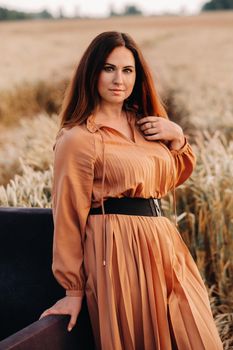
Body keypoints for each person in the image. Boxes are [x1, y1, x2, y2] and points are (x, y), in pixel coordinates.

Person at [40, 31, 223, 349]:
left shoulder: (147, 124)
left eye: (128, 70)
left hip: (165, 243)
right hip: (119, 250)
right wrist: (73, 291)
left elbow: (168, 179)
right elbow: (68, 214)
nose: (118, 79)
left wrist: (177, 138)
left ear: (138, 76)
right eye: (108, 68)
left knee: (198, 336)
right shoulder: (78, 139)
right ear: (92, 72)